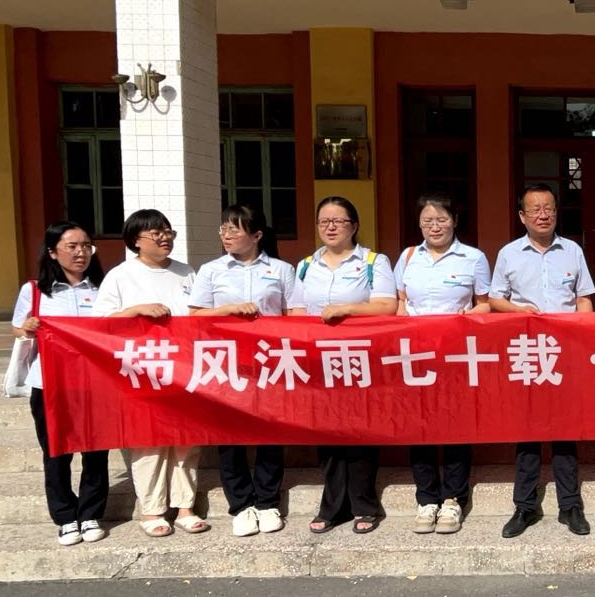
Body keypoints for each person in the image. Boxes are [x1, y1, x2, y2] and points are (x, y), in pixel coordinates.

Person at [189, 203, 302, 537]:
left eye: (234, 229)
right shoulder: (211, 270)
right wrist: (227, 310)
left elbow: (296, 314)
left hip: (270, 361)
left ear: (256, 235)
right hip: (225, 362)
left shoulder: (281, 269)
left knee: (270, 432)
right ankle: (240, 505)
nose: (226, 234)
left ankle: (267, 501)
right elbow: (194, 315)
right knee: (230, 435)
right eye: (223, 228)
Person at [94, 209, 208, 538]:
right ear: (136, 241)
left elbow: (199, 315)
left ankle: (185, 506)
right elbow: (100, 321)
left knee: (186, 440)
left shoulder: (187, 272)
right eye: (156, 233)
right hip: (140, 370)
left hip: (183, 367)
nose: (164, 238)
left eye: (167, 231)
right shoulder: (120, 275)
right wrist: (135, 311)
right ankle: (152, 509)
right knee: (148, 441)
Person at [490, 183, 595, 538]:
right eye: (535, 209)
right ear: (522, 216)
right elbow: (495, 299)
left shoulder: (573, 251)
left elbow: (584, 298)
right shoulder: (508, 254)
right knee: (528, 432)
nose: (543, 214)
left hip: (564, 353)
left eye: (548, 207)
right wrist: (519, 311)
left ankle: (570, 505)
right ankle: (525, 506)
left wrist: (580, 332)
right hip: (526, 353)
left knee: (565, 431)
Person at [289, 196, 397, 535]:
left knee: (361, 430)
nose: (331, 227)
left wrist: (346, 310)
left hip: (361, 357)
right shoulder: (306, 265)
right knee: (327, 431)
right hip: (318, 359)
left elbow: (387, 305)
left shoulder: (373, 261)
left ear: (354, 225)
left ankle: (364, 504)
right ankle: (333, 506)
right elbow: (296, 310)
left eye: (338, 221)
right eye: (324, 221)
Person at [395, 192, 492, 535]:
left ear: (454, 221)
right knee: (419, 426)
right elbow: (400, 303)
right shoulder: (408, 257)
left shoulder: (473, 258)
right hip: (415, 356)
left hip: (455, 355)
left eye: (441, 219)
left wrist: (470, 317)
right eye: (427, 221)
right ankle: (426, 498)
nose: (434, 227)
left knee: (454, 425)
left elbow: (485, 303)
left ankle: (453, 498)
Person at [11, 221, 109, 546]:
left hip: (95, 383)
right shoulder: (34, 290)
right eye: (72, 246)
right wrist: (27, 327)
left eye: (86, 246)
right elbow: (18, 328)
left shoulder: (103, 288)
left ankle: (91, 513)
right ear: (53, 252)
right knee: (55, 452)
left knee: (96, 450)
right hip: (49, 384)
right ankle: (66, 516)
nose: (81, 252)